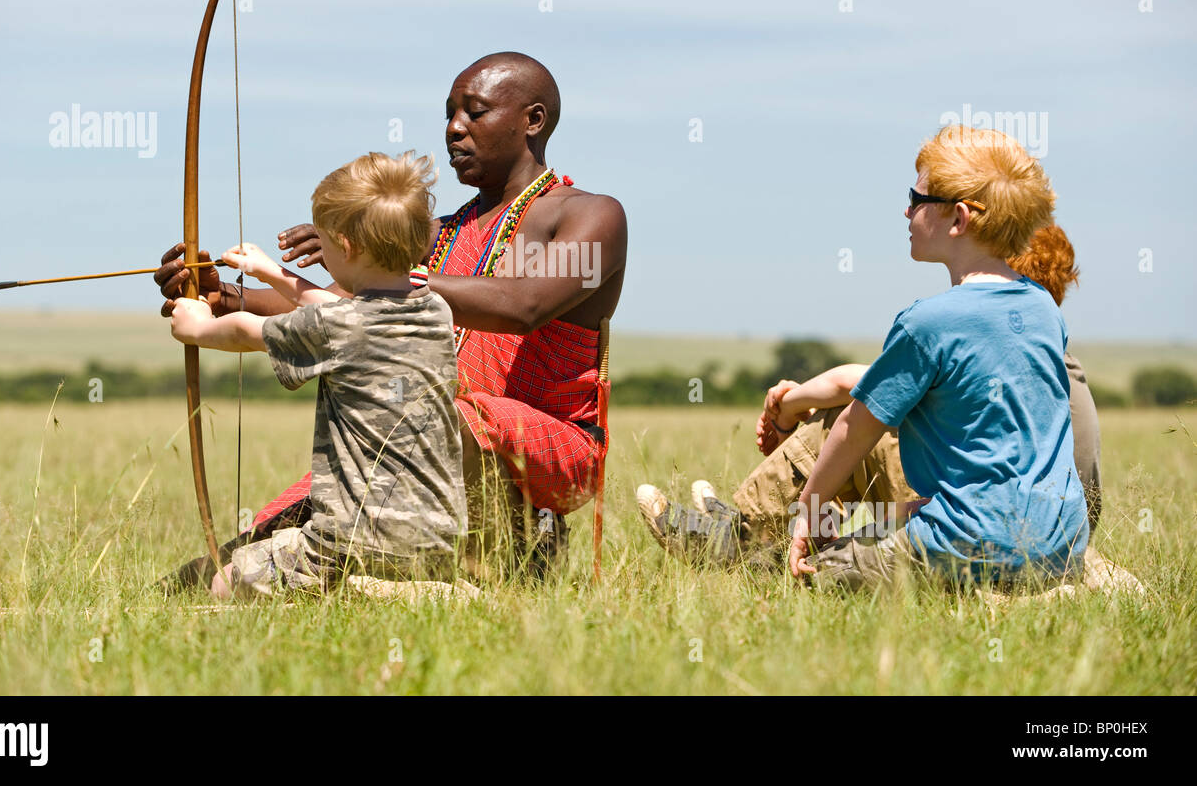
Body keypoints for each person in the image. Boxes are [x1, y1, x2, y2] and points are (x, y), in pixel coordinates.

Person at [157, 53, 626, 584]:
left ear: (532, 121)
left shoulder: (591, 214)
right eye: (450, 114)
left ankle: (513, 548)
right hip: (424, 434)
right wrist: (223, 297)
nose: (454, 129)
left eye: (475, 113)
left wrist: (378, 277)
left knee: (438, 413)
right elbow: (337, 308)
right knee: (215, 570)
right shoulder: (439, 233)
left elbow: (525, 306)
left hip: (548, 449)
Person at [646, 126, 1089, 590]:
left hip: (971, 545)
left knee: (819, 572)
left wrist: (808, 513)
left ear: (958, 219)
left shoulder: (928, 322)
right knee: (894, 527)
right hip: (1059, 546)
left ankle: (752, 550)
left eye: (917, 198)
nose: (907, 209)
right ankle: (1027, 592)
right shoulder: (1043, 309)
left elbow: (856, 425)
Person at [168, 151, 466, 598]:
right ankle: (416, 593)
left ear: (344, 248)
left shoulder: (337, 327)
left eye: (324, 244)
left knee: (228, 581)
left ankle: (363, 593)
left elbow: (248, 330)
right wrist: (273, 273)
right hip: (439, 543)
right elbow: (346, 313)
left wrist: (196, 326)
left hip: (349, 543)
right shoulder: (435, 310)